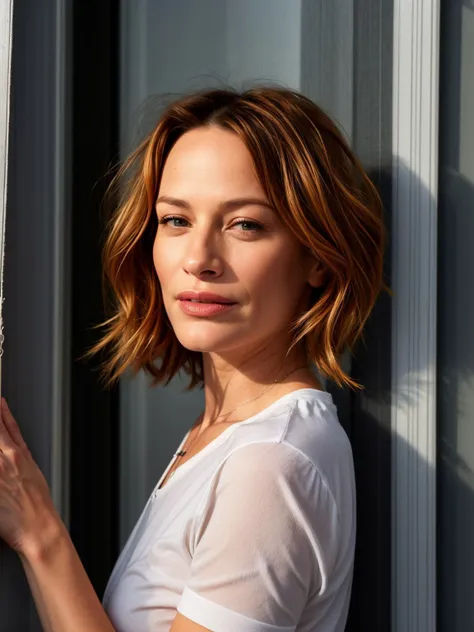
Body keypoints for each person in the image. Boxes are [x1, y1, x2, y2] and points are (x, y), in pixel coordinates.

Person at [0, 85, 387, 631]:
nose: (199, 259)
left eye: (245, 224)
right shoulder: (226, 436)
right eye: (176, 220)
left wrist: (41, 535)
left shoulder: (269, 466)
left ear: (318, 258)